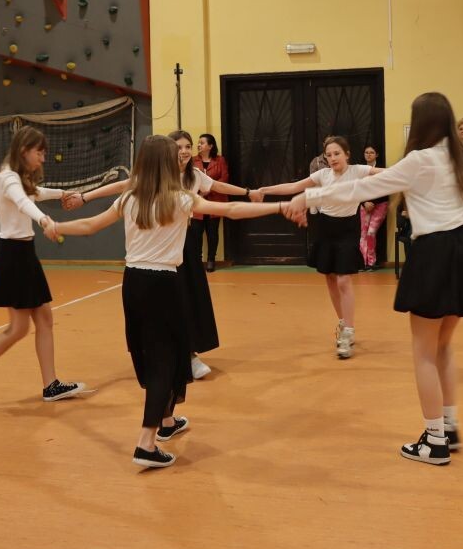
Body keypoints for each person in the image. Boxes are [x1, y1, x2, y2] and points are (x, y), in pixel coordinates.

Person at [49, 135, 293, 468]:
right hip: (163, 284)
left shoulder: (130, 198)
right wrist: (279, 207)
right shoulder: (179, 198)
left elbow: (91, 225)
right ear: (166, 163)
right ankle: (145, 444)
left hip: (132, 283)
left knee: (155, 354)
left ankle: (166, 422)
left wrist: (57, 225)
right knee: (165, 360)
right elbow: (231, 209)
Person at [285, 92, 463, 467]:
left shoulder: (419, 160)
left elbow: (361, 188)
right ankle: (449, 426)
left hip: (435, 253)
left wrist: (309, 197)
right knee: (443, 346)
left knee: (424, 351)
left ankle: (435, 441)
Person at [64, 132, 256, 380]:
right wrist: (85, 197)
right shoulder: (150, 178)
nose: (184, 151)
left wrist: (248, 192)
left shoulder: (194, 175)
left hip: (183, 243)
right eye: (178, 147)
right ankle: (166, 357)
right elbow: (121, 186)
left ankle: (189, 354)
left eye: (188, 146)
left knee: (190, 298)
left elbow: (219, 188)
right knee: (164, 306)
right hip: (158, 248)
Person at [0, 127, 87, 411]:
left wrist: (63, 193)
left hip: (25, 255)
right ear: (24, 150)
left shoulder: (20, 179)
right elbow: (25, 202)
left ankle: (51, 385)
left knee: (44, 319)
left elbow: (35, 193)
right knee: (18, 328)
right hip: (12, 257)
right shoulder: (8, 177)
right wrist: (45, 221)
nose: (43, 159)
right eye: (39, 153)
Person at [254, 136, 383, 359]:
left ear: (347, 154)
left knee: (343, 279)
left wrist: (412, 172)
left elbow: (387, 174)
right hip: (326, 228)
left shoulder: (358, 170)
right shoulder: (322, 175)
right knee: (330, 278)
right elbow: (295, 186)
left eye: (337, 153)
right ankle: (343, 323)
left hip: (348, 229)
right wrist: (265, 188)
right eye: (329, 155)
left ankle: (349, 331)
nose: (333, 158)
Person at [193, 134, 229, 273]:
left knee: (212, 233)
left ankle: (211, 260)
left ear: (210, 146)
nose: (199, 145)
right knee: (196, 233)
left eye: (202, 143)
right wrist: (199, 191)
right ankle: (197, 261)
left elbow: (224, 178)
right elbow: (189, 179)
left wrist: (208, 189)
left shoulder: (220, 160)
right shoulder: (193, 161)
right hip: (197, 202)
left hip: (215, 201)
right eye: (198, 142)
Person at [359, 145, 389, 271]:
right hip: (364, 204)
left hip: (380, 204)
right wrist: (364, 202)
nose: (368, 154)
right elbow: (356, 188)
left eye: (371, 152)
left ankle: (371, 262)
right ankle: (362, 263)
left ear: (376, 155)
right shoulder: (360, 170)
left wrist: (372, 202)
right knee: (363, 234)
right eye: (366, 152)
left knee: (371, 232)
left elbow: (385, 189)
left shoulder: (381, 169)